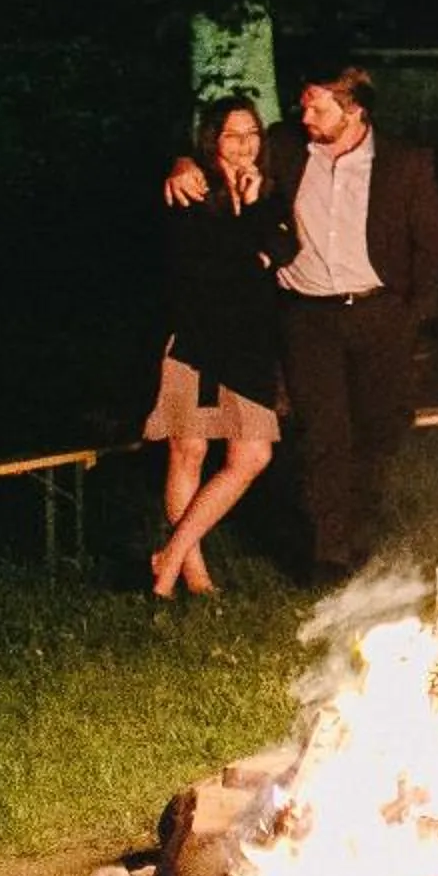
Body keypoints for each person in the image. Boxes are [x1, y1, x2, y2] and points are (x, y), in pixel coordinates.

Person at [208, 67, 438, 578]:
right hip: (308, 315)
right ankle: (329, 554)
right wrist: (182, 163)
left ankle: (363, 535)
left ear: (354, 109)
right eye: (304, 106)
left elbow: (429, 243)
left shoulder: (404, 162)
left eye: (318, 108)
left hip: (379, 312)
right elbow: (220, 152)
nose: (305, 117)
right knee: (323, 434)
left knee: (376, 430)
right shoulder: (287, 148)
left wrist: (413, 315)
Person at [145, 98, 291, 598]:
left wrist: (253, 211)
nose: (245, 144)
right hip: (197, 340)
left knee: (252, 455)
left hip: (249, 344)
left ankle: (170, 552)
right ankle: (192, 576)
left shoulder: (267, 192)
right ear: (213, 140)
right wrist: (253, 248)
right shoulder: (189, 188)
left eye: (252, 134)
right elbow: (216, 264)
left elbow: (282, 247)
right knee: (189, 451)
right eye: (233, 135)